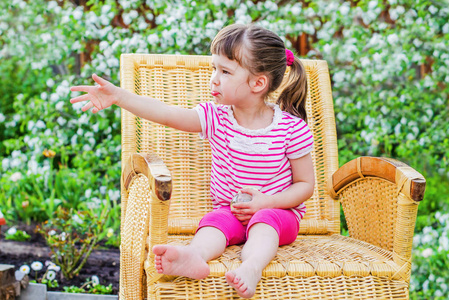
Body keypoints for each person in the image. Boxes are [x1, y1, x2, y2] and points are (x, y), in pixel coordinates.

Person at [70, 23, 315, 299]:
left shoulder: (291, 129)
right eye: (214, 68)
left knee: (264, 223)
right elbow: (165, 113)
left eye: (225, 72)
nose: (214, 78)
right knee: (213, 223)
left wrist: (265, 203)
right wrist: (119, 96)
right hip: (231, 213)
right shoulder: (216, 118)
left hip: (279, 215)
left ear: (258, 83)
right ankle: (194, 256)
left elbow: (305, 185)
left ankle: (252, 267)